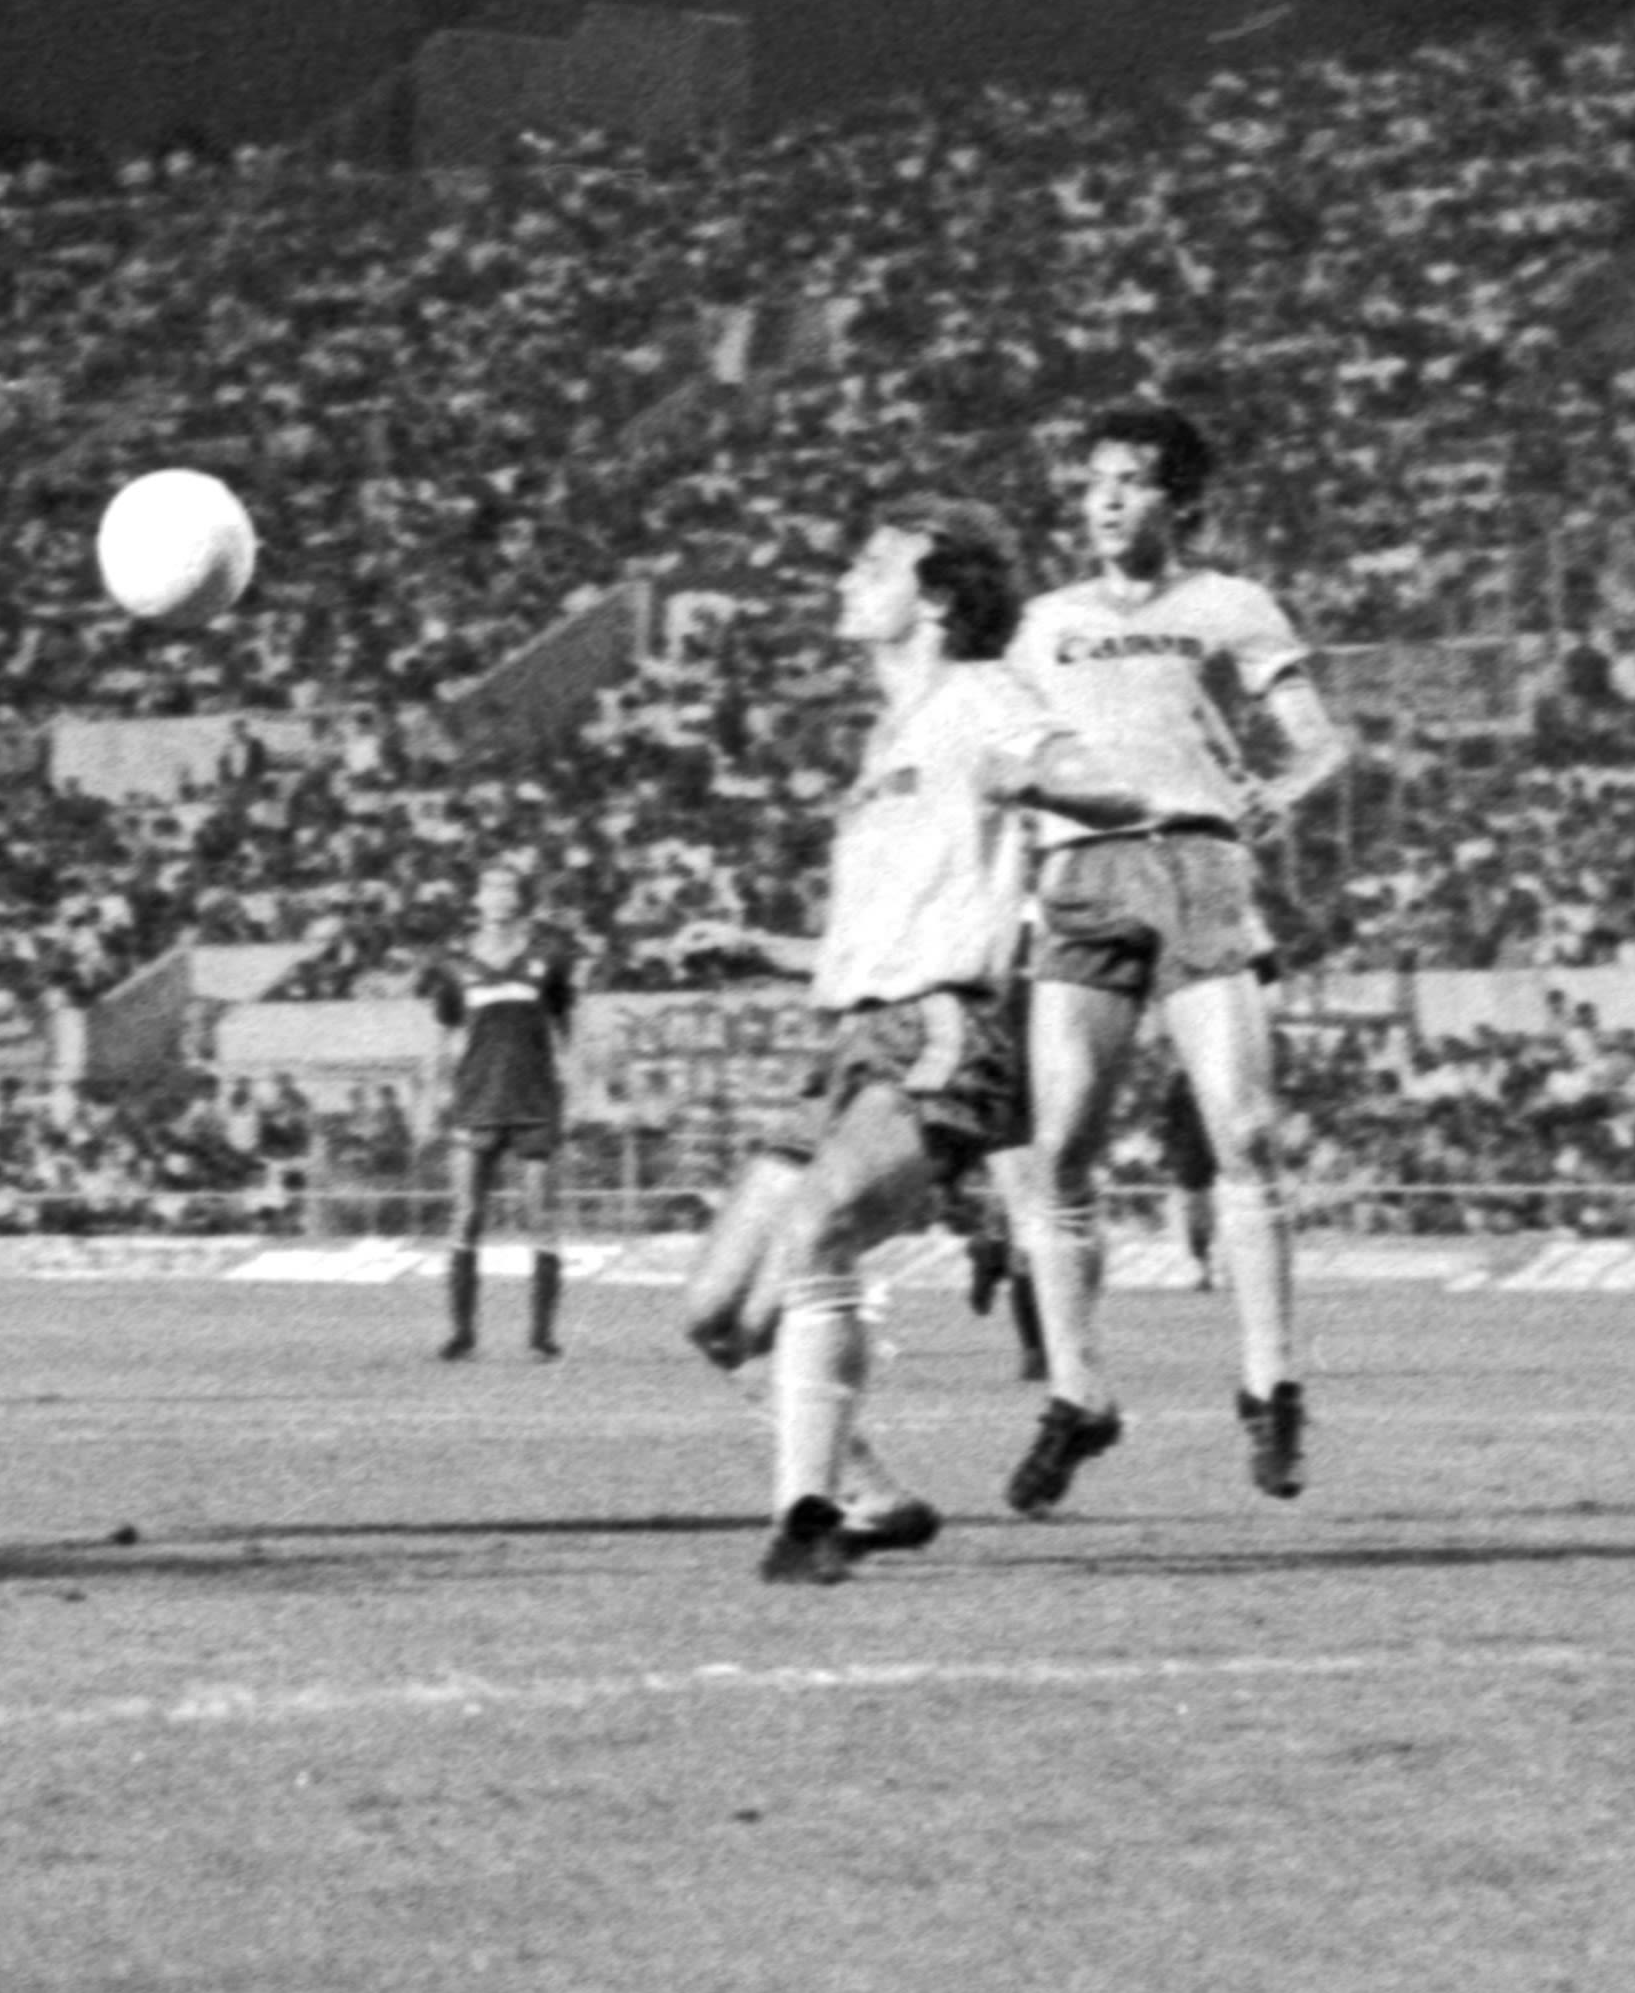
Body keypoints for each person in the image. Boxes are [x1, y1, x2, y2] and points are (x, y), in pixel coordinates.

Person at [673, 496, 1153, 1586]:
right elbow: (877, 938)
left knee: (822, 1228)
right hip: (850, 1039)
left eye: (874, 562)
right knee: (717, 1317)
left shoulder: (982, 696)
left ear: (934, 600)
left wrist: (1044, 782)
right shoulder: (887, 738)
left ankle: (805, 1517)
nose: (848, 578)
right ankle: (874, 1497)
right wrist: (757, 948)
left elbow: (1116, 788)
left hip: (939, 1029)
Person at [1001, 403, 1354, 1512]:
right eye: (1094, 480)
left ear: (1181, 501)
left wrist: (1282, 789)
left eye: (1132, 480)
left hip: (1197, 865)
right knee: (1060, 1151)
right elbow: (1000, 754)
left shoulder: (1230, 605)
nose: (1106, 499)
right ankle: (1076, 1396)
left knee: (1244, 1132)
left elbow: (1320, 741)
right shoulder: (1041, 623)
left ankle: (1270, 1388)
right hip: (1079, 873)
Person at [421, 867, 578, 1361]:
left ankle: (541, 1337)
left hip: (535, 1103)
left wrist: (577, 1091)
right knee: (466, 1216)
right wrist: (431, 1098)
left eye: (507, 887)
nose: (498, 895)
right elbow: (442, 1038)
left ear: (520, 898)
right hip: (476, 1103)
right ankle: (462, 1335)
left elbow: (569, 1028)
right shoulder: (454, 965)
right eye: (490, 887)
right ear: (477, 898)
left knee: (540, 1217)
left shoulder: (548, 958)